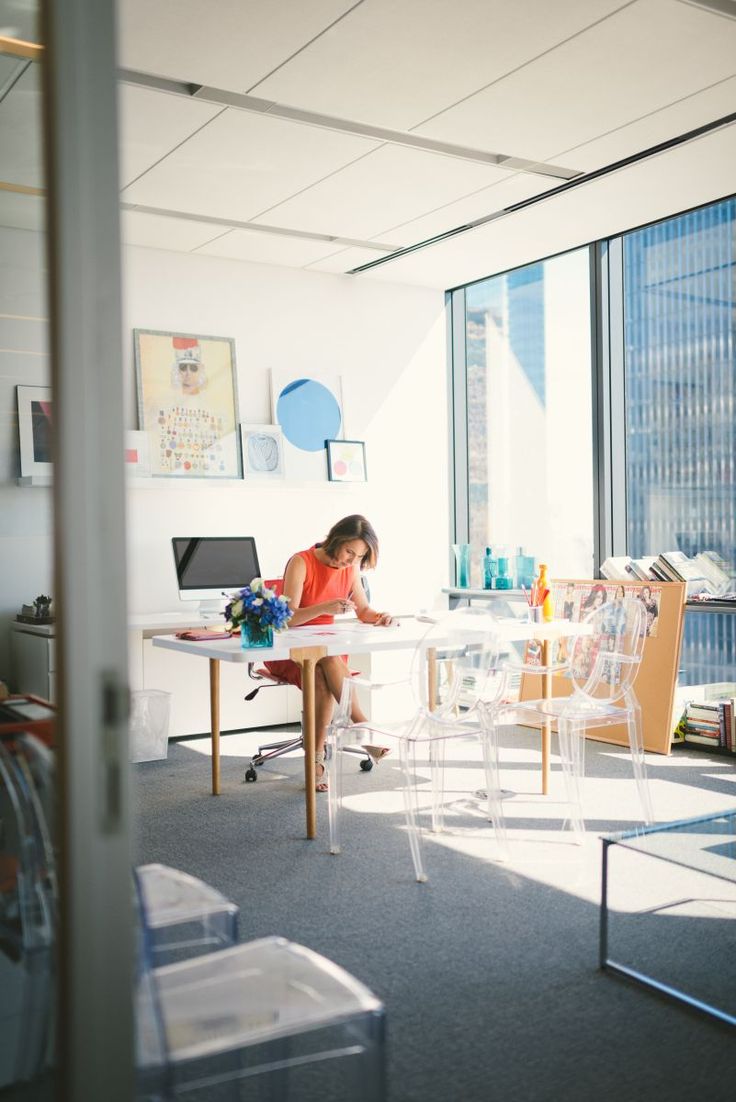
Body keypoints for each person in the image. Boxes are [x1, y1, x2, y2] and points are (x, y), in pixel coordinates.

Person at [265, 515, 395, 791]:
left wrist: (380, 616)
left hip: (327, 656)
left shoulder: (350, 569)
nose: (351, 561)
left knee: (324, 667)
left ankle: (316, 761)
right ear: (336, 538)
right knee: (323, 658)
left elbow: (363, 611)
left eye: (358, 556)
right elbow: (286, 618)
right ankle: (362, 725)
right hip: (289, 652)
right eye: (349, 552)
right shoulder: (301, 562)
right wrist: (323, 608)